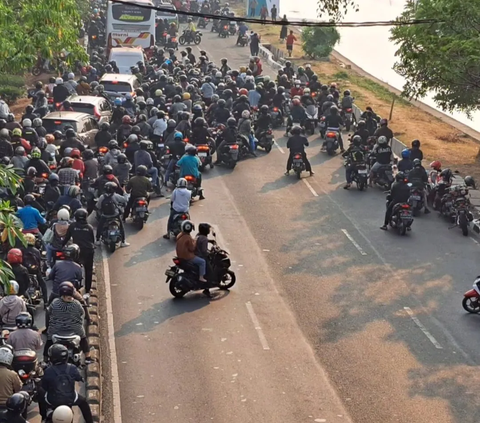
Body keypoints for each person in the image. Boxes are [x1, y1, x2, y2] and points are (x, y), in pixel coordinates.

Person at [39, 342, 94, 422]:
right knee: (83, 403)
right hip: (71, 399)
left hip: (52, 400)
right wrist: (80, 378)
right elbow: (78, 377)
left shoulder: (48, 371)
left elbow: (44, 386)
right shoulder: (72, 368)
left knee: (40, 393)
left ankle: (43, 417)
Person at [62, 209, 95, 294]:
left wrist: (61, 246)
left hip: (76, 251)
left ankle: (75, 288)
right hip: (88, 251)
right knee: (89, 271)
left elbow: (66, 238)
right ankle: (87, 290)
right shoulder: (89, 227)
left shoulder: (72, 226)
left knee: (74, 268)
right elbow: (92, 240)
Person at [176, 220, 209, 290]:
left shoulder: (180, 235)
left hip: (180, 256)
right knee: (202, 262)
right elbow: (192, 248)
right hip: (187, 256)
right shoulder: (188, 237)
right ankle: (201, 277)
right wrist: (195, 242)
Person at [95, 182, 129, 246]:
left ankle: (97, 240)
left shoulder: (102, 197)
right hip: (115, 215)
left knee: (100, 226)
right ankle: (123, 242)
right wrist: (125, 193)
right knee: (121, 226)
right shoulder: (115, 196)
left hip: (105, 215)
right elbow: (125, 199)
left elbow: (98, 206)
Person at [21, 233, 48, 305]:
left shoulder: (21, 250)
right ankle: (46, 302)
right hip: (35, 272)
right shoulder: (36, 251)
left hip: (24, 271)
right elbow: (39, 262)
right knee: (43, 285)